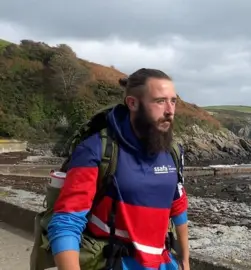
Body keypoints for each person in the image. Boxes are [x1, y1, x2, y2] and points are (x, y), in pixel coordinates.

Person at [47, 68, 190, 270]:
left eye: (173, 101)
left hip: (164, 264)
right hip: (114, 263)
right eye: (160, 101)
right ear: (132, 103)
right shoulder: (96, 149)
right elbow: (66, 222)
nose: (169, 110)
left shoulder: (171, 151)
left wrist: (185, 260)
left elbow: (178, 204)